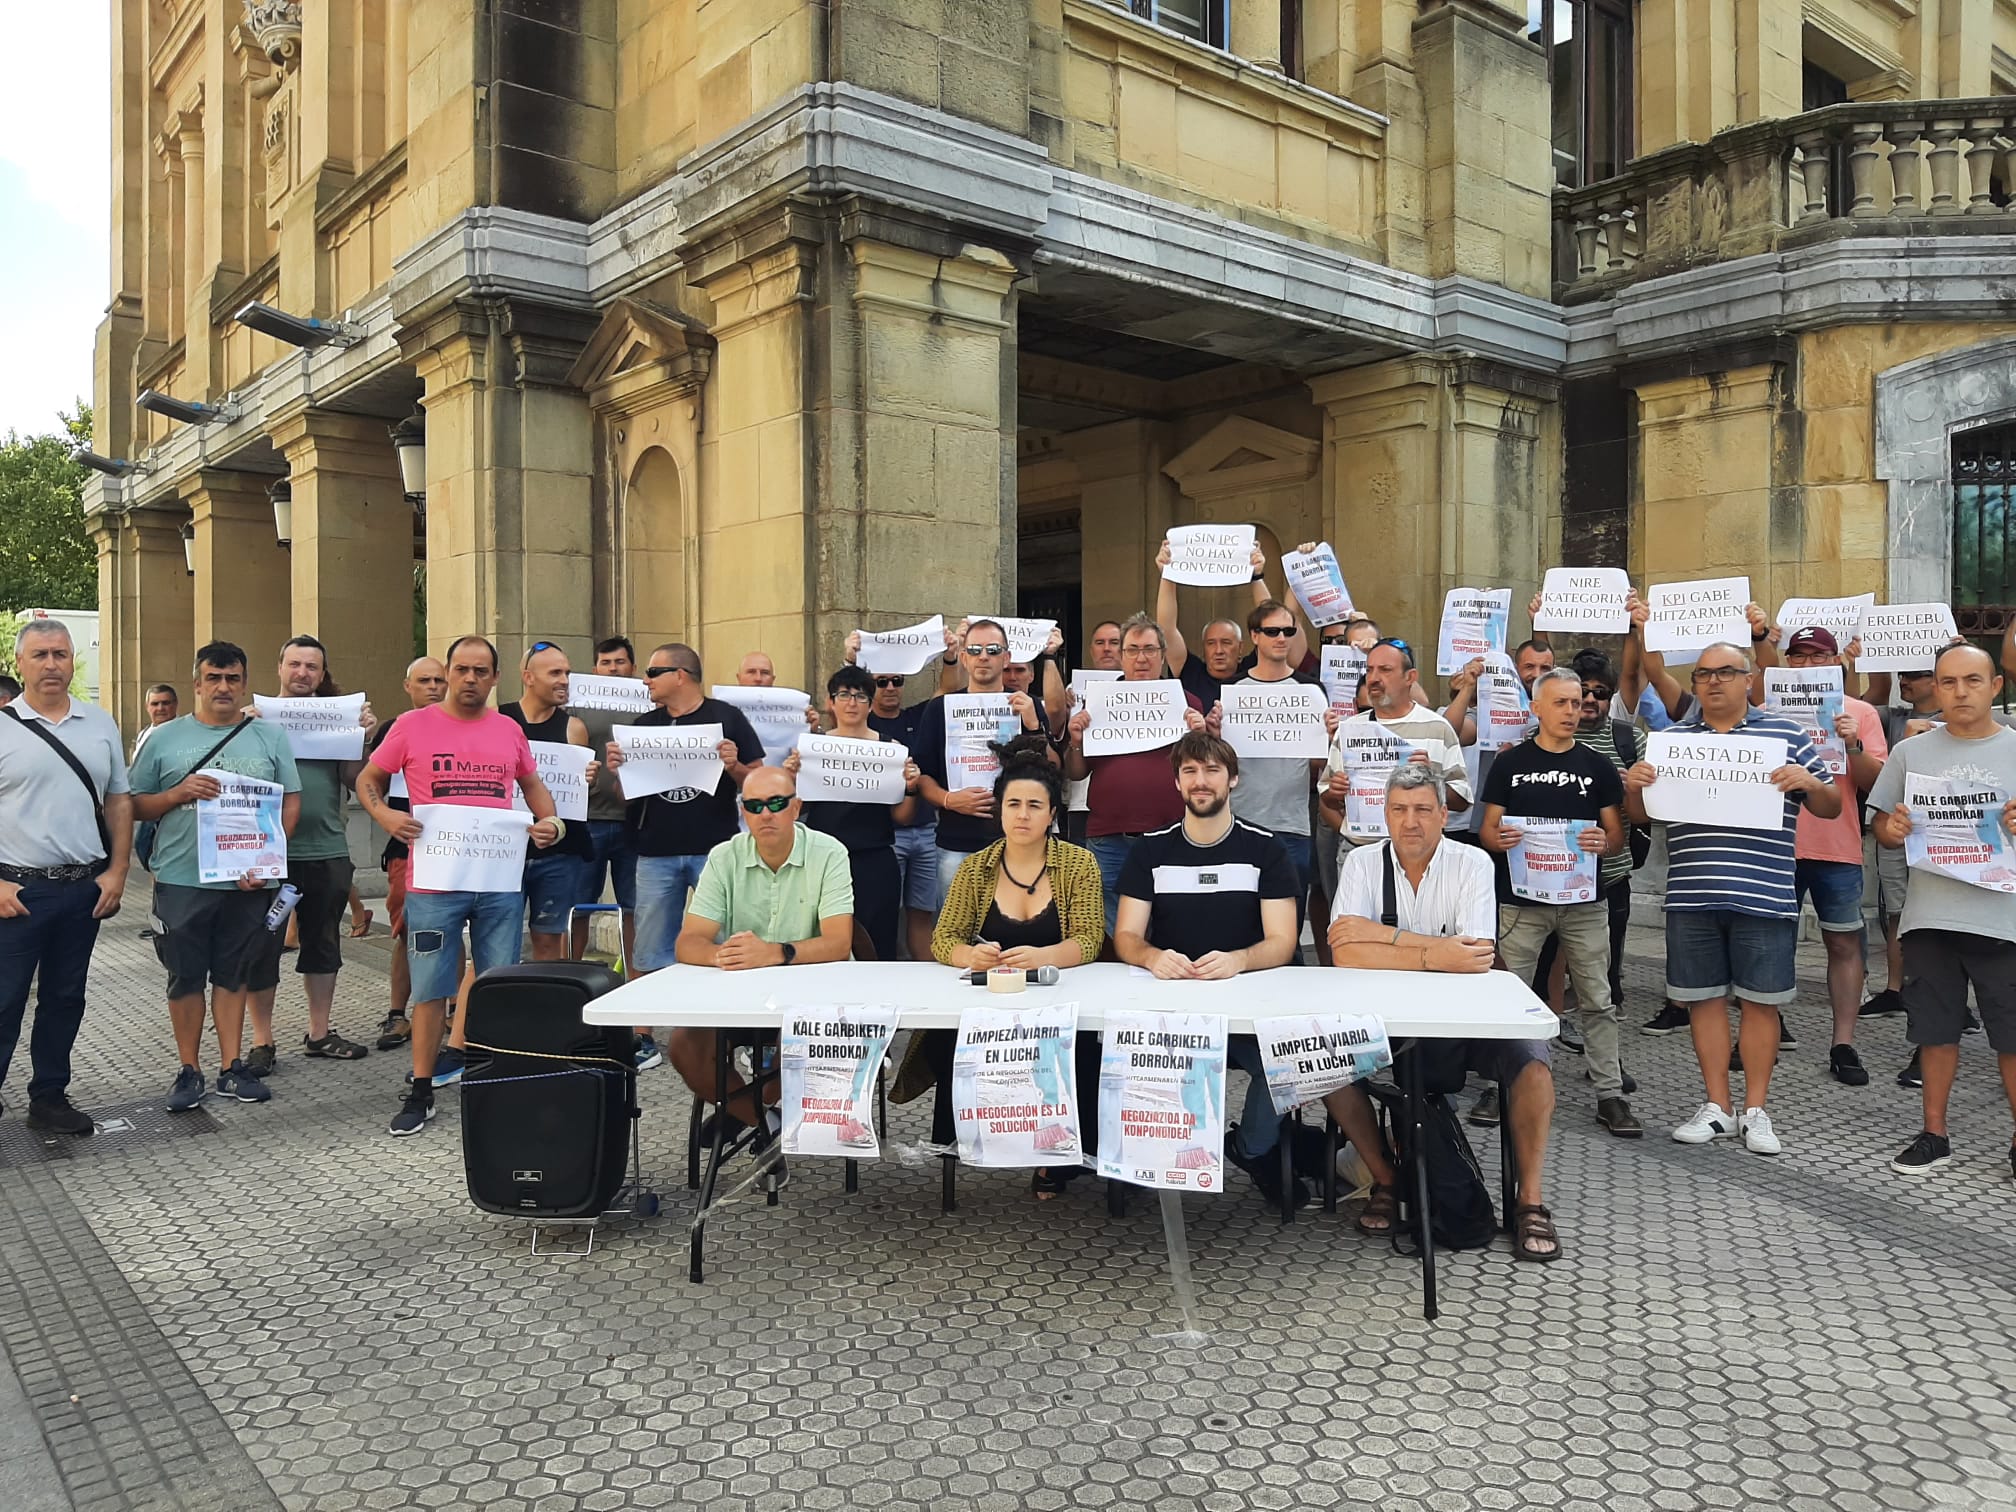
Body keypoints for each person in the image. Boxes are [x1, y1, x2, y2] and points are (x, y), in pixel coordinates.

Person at [1326, 764, 1564, 1260]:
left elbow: (1475, 956)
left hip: (1468, 1016)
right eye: (1399, 810)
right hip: (1382, 1018)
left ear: (1442, 815)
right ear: (1384, 814)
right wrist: (1433, 953)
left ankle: (1529, 1202)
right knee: (1323, 1065)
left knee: (1535, 1066)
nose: (1410, 822)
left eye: (1421, 810)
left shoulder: (1473, 862)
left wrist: (1382, 941)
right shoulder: (1362, 864)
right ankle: (1389, 1182)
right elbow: (1344, 951)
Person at [1622, 641, 1839, 1155]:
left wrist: (1809, 780)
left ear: (1749, 678)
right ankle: (1717, 1105)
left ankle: (1757, 1110)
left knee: (1762, 1005)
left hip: (1764, 894)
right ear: (1693, 684)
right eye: (1703, 674)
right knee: (1703, 1000)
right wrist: (1635, 786)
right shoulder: (1671, 740)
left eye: (1726, 672)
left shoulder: (1785, 734)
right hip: (1693, 894)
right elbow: (1643, 818)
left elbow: (1829, 806)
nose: (1714, 681)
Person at [359, 634, 561, 1136]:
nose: (470, 679)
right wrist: (385, 816)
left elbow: (534, 786)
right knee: (431, 989)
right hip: (434, 882)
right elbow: (369, 779)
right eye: (461, 670)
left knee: (499, 986)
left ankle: (498, 1083)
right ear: (448, 673)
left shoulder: (508, 729)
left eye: (480, 671)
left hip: (496, 881)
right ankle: (422, 1089)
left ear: (495, 679)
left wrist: (550, 823)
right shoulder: (411, 725)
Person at [1112, 733, 1302, 1207]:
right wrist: (1153, 957)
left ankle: (1250, 1149)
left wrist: (1239, 960)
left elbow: (1283, 941)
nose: (1201, 781)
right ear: (1176, 782)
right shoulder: (1150, 850)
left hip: (1245, 1006)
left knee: (1287, 1067)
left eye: (1212, 770)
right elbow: (1127, 937)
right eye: (1191, 771)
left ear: (1232, 779)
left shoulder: (1266, 849)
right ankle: (1136, 1157)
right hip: (1170, 1011)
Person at [130, 641, 302, 1110]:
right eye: (213, 678)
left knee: (233, 974)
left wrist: (268, 860)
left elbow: (290, 800)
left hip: (247, 880)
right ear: (197, 683)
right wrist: (177, 793)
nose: (223, 687)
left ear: (244, 683)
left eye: (232, 678)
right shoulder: (164, 739)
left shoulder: (268, 737)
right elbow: (134, 804)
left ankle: (231, 1066)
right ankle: (190, 1070)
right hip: (183, 879)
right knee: (185, 977)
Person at [927, 747, 1105, 1194]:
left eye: (1034, 805)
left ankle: (1059, 1157)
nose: (1022, 815)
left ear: (1051, 815)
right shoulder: (974, 868)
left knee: (1079, 1044)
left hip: (1057, 1001)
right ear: (999, 811)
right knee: (946, 1040)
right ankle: (972, 1140)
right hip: (989, 1000)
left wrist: (1044, 956)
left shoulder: (1078, 863)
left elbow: (1089, 939)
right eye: (1013, 804)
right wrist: (970, 956)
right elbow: (942, 939)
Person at [1868, 642, 2016, 1177]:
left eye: (1972, 681)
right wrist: (1895, 827)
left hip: (2003, 918)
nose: (1960, 692)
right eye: (1949, 682)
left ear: (1995, 686)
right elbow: (1882, 827)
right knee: (1935, 1030)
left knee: (2011, 1034)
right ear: (1936, 686)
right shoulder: (1913, 753)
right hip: (1930, 917)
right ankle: (1934, 1133)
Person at [1478, 666, 1639, 1137]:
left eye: (1579, 702)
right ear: (1537, 709)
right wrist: (1500, 839)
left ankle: (1609, 1094)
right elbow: (1487, 830)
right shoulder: (1510, 763)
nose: (1574, 710)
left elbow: (1615, 836)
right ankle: (1497, 1086)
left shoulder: (1596, 766)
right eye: (1563, 703)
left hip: (1584, 901)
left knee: (1597, 997)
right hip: (1521, 902)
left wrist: (1600, 843)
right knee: (1510, 996)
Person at [671, 766, 855, 1163]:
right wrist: (723, 955)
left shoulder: (830, 852)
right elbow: (688, 942)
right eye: (755, 806)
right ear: (743, 811)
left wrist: (776, 952)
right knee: (684, 1046)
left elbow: (840, 943)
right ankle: (766, 1123)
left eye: (776, 803)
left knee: (799, 1043)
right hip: (742, 992)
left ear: (797, 807)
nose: (766, 813)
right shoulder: (724, 856)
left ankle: (750, 1114)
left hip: (814, 991)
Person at [603, 644, 763, 1077]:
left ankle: (742, 1032)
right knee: (650, 945)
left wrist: (734, 767)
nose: (645, 680)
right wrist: (618, 772)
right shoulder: (643, 725)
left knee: (730, 940)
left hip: (715, 848)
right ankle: (642, 1035)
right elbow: (625, 797)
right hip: (654, 849)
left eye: (654, 671)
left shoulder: (726, 717)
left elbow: (761, 783)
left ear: (682, 675)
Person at [0, 619, 133, 1133]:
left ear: (73, 660)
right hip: (18, 891)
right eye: (40, 655)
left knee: (64, 997)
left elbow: (119, 800)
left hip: (82, 890)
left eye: (60, 654)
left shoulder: (99, 724)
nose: (51, 664)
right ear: (20, 663)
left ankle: (49, 1097)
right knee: (5, 999)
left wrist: (118, 870)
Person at [1750, 619, 1889, 1085]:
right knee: (1771, 943)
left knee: (1844, 942)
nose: (1808, 664)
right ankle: (1763, 1030)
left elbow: (1876, 785)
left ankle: (1843, 1042)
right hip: (1776, 846)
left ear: (1836, 663)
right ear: (1787, 662)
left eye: (1819, 656)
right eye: (1799, 656)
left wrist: (1851, 744)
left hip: (1837, 846)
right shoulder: (1766, 710)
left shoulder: (1860, 713)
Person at [245, 635, 377, 1072]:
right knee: (262, 945)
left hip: (326, 848)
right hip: (268, 852)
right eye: (295, 665)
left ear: (322, 675)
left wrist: (362, 739)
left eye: (312, 667)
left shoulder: (337, 721)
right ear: (279, 668)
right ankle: (262, 1041)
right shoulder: (253, 722)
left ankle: (319, 1033)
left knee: (323, 943)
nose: (303, 673)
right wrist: (240, 732)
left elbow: (354, 780)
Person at [1065, 613, 1208, 935]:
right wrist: (1076, 742)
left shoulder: (1186, 701)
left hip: (1173, 833)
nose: (1141, 658)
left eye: (1149, 649)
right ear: (1122, 655)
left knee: (1174, 919)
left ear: (1162, 653)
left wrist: (1202, 735)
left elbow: (1207, 773)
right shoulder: (1096, 702)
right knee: (1116, 927)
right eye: (1132, 650)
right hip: (1109, 835)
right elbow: (1075, 774)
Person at [910, 619, 1054, 908]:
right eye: (974, 650)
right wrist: (949, 800)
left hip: (1022, 844)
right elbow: (922, 775)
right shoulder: (939, 709)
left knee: (1021, 929)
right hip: (957, 842)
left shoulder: (1029, 705)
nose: (983, 656)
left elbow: (1055, 769)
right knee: (955, 933)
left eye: (992, 649)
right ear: (963, 658)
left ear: (1007, 658)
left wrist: (1033, 725)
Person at [1211, 598, 1333, 926]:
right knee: (1237, 921)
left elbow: (1320, 764)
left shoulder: (1311, 690)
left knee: (1288, 924)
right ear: (1255, 636)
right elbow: (1217, 761)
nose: (1282, 637)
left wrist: (1332, 738)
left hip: (1292, 824)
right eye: (1273, 631)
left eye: (1288, 631)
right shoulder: (1231, 689)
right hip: (1238, 822)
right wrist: (1213, 733)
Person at [786, 664, 921, 961]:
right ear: (830, 702)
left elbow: (902, 817)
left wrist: (911, 787)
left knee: (878, 941)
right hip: (822, 858)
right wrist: (792, 780)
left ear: (871, 705)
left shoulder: (891, 748)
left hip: (874, 857)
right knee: (821, 937)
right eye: (844, 695)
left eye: (860, 696)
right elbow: (797, 810)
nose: (852, 702)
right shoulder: (811, 748)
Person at [1318, 639, 1471, 860]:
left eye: (1385, 670)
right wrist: (1335, 791)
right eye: (1370, 670)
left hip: (1420, 855)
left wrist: (1430, 779)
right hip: (1360, 853)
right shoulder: (1350, 730)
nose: (1374, 678)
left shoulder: (1437, 728)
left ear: (1410, 677)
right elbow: (1327, 799)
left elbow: (1462, 801)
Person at [365, 656, 447, 1050]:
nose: (433, 687)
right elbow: (367, 781)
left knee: (451, 929)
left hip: (459, 848)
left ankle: (445, 1010)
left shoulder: (466, 726)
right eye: (425, 680)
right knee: (407, 932)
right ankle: (398, 1013)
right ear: (407, 686)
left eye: (439, 680)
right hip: (407, 846)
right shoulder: (392, 729)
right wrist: (385, 817)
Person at [501, 642, 599, 962]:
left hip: (558, 853)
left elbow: (576, 794)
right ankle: (489, 1008)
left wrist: (586, 781)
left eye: (567, 673)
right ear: (528, 677)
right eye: (555, 672)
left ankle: (544, 1006)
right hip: (504, 850)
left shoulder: (574, 728)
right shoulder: (498, 721)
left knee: (549, 939)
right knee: (499, 940)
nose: (564, 680)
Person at [1864, 663, 1943, 1027]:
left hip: (1947, 834)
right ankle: (1896, 989)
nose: (1904, 682)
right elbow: (1855, 699)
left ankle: (1948, 997)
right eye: (1901, 675)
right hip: (1897, 829)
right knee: (1898, 912)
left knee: (1941, 918)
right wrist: (1863, 659)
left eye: (1914, 676)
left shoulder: (1966, 716)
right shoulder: (1893, 718)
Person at [849, 653, 936, 960]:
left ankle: (923, 976)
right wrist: (852, 661)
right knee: (887, 913)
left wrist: (951, 657)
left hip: (926, 830)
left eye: (896, 681)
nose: (889, 687)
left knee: (923, 911)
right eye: (880, 681)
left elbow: (948, 692)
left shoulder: (917, 717)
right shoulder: (862, 724)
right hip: (887, 834)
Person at [1155, 539, 1304, 711]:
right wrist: (1168, 574)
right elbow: (1166, 630)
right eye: (1211, 643)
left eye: (1226, 643)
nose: (1219, 650)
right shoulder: (1190, 672)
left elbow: (1271, 622)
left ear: (1240, 647)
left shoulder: (1254, 669)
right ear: (1203, 647)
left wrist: (1255, 576)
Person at [571, 635, 643, 971]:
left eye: (620, 662)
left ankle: (633, 975)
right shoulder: (577, 704)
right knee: (578, 904)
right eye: (606, 662)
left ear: (633, 666)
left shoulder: (650, 702)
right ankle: (569, 973)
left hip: (635, 819)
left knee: (634, 907)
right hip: (588, 817)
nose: (613, 669)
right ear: (595, 668)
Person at [1063, 620, 1124, 844]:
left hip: (1129, 802)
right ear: (1091, 650)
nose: (1106, 648)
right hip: (1082, 801)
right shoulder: (1071, 691)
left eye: (1114, 642)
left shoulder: (1147, 691)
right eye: (1100, 642)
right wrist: (1061, 708)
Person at [131, 683, 178, 761]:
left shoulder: (185, 733)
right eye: (155, 704)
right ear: (147, 707)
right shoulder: (143, 734)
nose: (160, 708)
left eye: (165, 703)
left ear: (175, 704)